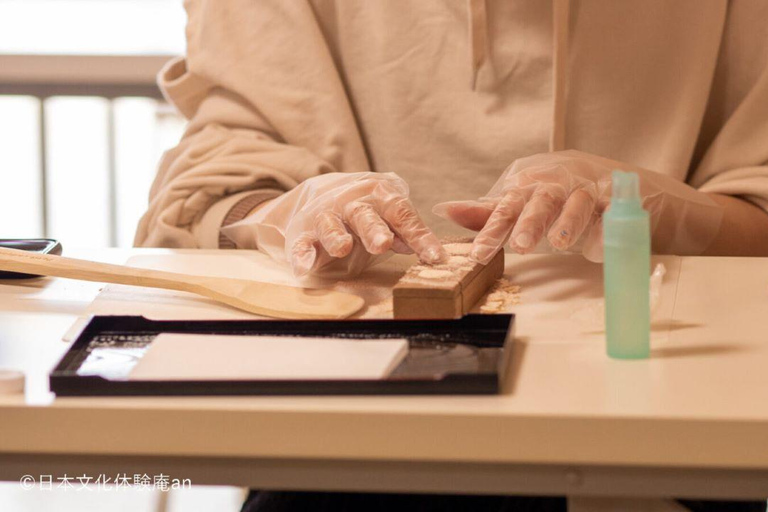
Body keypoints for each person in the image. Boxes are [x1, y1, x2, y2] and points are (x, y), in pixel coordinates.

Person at [135, 1, 768, 510]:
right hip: (357, 441)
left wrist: (671, 210)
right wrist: (281, 213)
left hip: (675, 421)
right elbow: (206, 199)